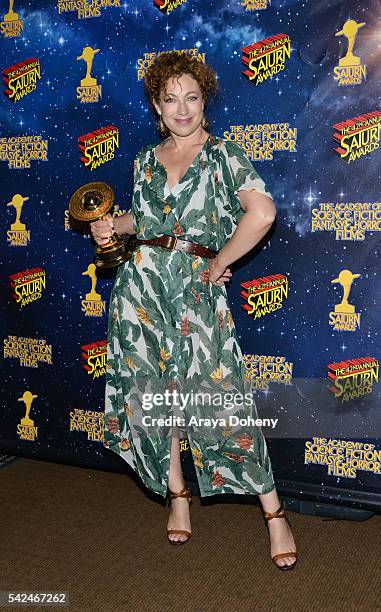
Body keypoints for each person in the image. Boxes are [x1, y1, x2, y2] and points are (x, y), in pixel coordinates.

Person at [90, 51, 297, 570]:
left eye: (192, 97)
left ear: (205, 102)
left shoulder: (225, 156)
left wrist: (220, 260)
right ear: (157, 108)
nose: (182, 109)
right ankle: (177, 494)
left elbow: (263, 212)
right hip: (140, 289)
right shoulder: (143, 160)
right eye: (170, 99)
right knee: (158, 391)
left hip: (194, 288)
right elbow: (147, 220)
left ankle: (274, 513)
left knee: (219, 396)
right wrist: (114, 226)